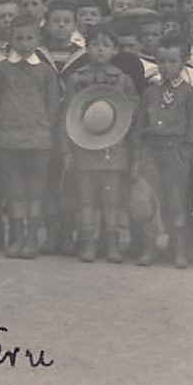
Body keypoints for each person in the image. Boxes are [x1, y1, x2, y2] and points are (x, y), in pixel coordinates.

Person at [0, 15, 62, 259]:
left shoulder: (46, 71)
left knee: (35, 189)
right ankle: (16, 236)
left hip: (39, 140)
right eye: (19, 38)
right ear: (10, 40)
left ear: (38, 39)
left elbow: (53, 105)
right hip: (8, 139)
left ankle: (31, 238)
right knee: (15, 189)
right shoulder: (0, 70)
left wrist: (43, 126)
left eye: (30, 38)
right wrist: (6, 124)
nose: (25, 43)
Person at [64, 30, 137, 264]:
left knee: (111, 198)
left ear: (115, 50)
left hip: (114, 148)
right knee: (85, 198)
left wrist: (132, 153)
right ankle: (88, 242)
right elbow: (67, 116)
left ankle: (112, 243)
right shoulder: (76, 79)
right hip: (82, 146)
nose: (100, 49)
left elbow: (130, 116)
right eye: (95, 44)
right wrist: (67, 151)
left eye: (106, 45)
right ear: (86, 48)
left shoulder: (124, 80)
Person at [133, 35, 193, 267]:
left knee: (176, 201)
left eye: (172, 61)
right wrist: (139, 153)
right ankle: (150, 248)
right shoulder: (149, 93)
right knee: (149, 200)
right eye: (161, 61)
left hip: (176, 153)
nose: (166, 66)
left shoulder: (190, 94)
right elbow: (140, 126)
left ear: (184, 62)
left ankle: (178, 250)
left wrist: (187, 152)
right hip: (151, 151)